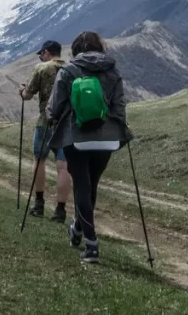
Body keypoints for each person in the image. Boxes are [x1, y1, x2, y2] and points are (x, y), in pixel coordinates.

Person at [47, 31, 133, 263]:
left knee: (82, 187)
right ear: (99, 47)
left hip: (76, 137)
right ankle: (77, 228)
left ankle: (92, 244)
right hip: (106, 139)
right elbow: (120, 107)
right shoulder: (113, 71)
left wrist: (51, 117)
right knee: (92, 185)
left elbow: (54, 109)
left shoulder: (68, 71)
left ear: (76, 50)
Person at [20, 40, 71, 222]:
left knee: (39, 160)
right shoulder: (71, 69)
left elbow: (28, 95)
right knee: (64, 167)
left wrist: (22, 91)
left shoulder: (41, 68)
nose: (41, 56)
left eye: (41, 53)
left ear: (47, 52)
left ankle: (39, 203)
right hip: (66, 125)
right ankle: (60, 210)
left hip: (45, 122)